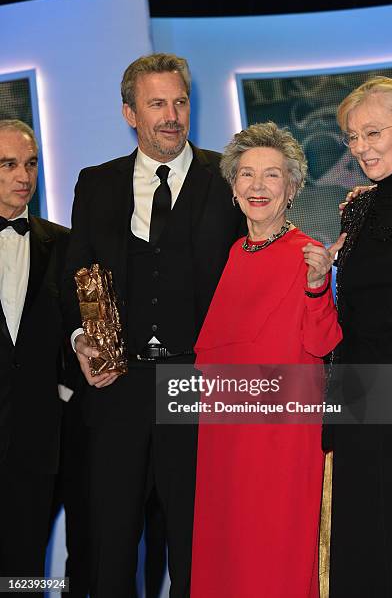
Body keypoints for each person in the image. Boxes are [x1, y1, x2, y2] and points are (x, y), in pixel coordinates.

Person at [61, 53, 245, 597]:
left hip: (199, 387)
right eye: (157, 103)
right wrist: (81, 340)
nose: (172, 115)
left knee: (197, 543)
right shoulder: (95, 183)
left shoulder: (229, 176)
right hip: (119, 388)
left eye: (180, 102)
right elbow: (76, 271)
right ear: (128, 113)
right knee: (111, 545)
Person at [190, 121, 343, 597]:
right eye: (247, 175)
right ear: (233, 186)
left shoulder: (307, 255)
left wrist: (318, 288)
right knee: (224, 555)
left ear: (293, 187)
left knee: (271, 556)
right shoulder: (236, 251)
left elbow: (322, 342)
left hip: (279, 440)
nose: (258, 186)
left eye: (272, 175)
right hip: (223, 438)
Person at [324, 76, 392, 597]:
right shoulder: (357, 207)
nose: (360, 148)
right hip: (358, 398)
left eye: (373, 132)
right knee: (362, 537)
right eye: (352, 137)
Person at [0, 120, 70, 580]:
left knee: (25, 570)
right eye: (8, 165)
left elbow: (80, 334)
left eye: (30, 164)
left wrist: (61, 397)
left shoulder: (64, 245)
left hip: (37, 442)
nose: (24, 176)